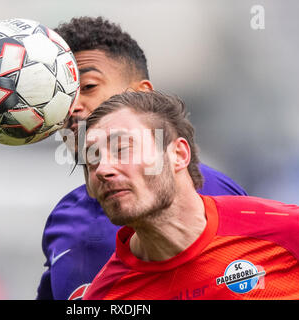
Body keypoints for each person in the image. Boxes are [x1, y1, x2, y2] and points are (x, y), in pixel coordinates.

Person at [36, 16, 247, 300]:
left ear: (140, 95)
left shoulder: (212, 194)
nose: (73, 106)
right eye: (61, 95)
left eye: (88, 87)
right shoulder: (64, 219)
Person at [82, 91, 299, 300]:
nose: (102, 169)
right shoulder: (106, 296)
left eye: (122, 149)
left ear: (178, 154)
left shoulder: (293, 233)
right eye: (92, 159)